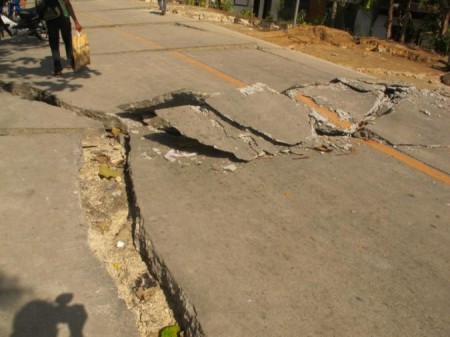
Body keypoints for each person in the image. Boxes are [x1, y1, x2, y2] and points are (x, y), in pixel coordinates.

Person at [43, 0, 82, 76]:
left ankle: (57, 69)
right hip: (63, 17)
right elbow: (67, 4)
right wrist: (76, 21)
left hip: (50, 19)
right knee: (67, 40)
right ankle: (70, 62)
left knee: (54, 44)